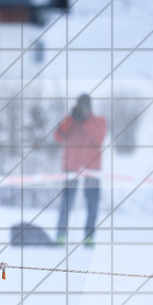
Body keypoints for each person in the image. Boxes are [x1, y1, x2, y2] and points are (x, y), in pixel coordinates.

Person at [54, 93, 107, 247]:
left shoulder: (98, 121)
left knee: (92, 203)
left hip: (92, 168)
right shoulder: (71, 121)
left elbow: (99, 138)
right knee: (66, 202)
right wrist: (71, 119)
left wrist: (85, 122)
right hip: (71, 167)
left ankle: (89, 237)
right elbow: (58, 136)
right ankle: (60, 235)